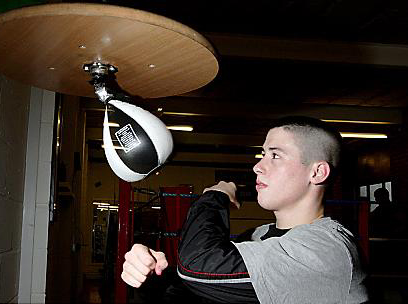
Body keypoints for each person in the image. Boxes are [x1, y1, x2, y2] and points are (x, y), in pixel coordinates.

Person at [121, 116, 369, 303]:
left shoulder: (326, 249)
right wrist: (153, 274)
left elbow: (199, 267)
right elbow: (195, 288)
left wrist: (215, 196)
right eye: (262, 154)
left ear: (317, 172)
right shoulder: (259, 236)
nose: (258, 167)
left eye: (275, 155)